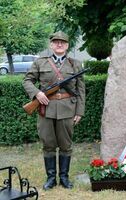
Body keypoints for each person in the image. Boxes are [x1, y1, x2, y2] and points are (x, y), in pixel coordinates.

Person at [23, 31, 85, 190]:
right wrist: (37, 93)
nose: (59, 44)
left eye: (63, 42)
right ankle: (51, 178)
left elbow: (81, 90)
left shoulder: (75, 64)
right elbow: (27, 81)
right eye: (56, 42)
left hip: (67, 109)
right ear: (51, 44)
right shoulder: (40, 62)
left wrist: (79, 111)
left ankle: (64, 178)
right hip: (46, 109)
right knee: (48, 144)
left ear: (67, 45)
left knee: (66, 145)